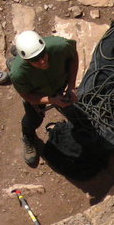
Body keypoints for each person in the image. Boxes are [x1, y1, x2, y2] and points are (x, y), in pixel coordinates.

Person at [9, 30, 79, 167]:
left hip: (59, 83)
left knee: (71, 107)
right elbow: (27, 95)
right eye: (35, 59)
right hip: (38, 92)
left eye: (42, 54)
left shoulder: (60, 45)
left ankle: (14, 57)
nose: (42, 61)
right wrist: (51, 100)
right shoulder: (18, 74)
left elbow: (73, 58)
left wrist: (71, 86)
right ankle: (28, 136)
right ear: (27, 60)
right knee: (34, 118)